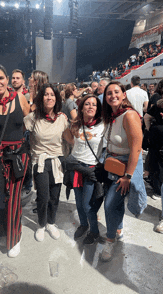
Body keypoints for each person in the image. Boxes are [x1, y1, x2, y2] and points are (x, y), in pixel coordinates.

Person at [0, 63, 30, 258]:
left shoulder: (19, 98)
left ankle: (15, 238)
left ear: (7, 79)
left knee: (13, 199)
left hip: (17, 156)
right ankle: (3, 231)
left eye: (1, 78)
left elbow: (30, 123)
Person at [101, 81, 147, 262]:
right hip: (113, 164)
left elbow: (136, 148)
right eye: (109, 93)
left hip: (127, 166)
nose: (113, 95)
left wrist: (128, 176)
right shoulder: (112, 115)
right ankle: (117, 228)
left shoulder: (129, 115)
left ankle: (110, 239)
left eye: (116, 92)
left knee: (110, 204)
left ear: (124, 94)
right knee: (116, 202)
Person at [24, 83, 73, 242]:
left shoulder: (62, 118)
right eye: (46, 94)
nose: (49, 97)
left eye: (52, 94)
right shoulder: (32, 118)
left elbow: (70, 140)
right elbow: (17, 133)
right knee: (43, 196)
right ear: (41, 97)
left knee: (55, 196)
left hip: (57, 161)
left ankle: (51, 223)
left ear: (56, 98)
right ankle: (41, 224)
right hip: (40, 161)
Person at [69, 94, 105, 244]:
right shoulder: (75, 124)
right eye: (87, 104)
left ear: (98, 109)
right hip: (76, 167)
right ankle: (84, 225)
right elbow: (69, 141)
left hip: (91, 170)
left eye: (94, 104)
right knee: (78, 201)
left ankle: (94, 231)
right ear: (82, 107)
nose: (91, 107)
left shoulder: (103, 125)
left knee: (86, 204)